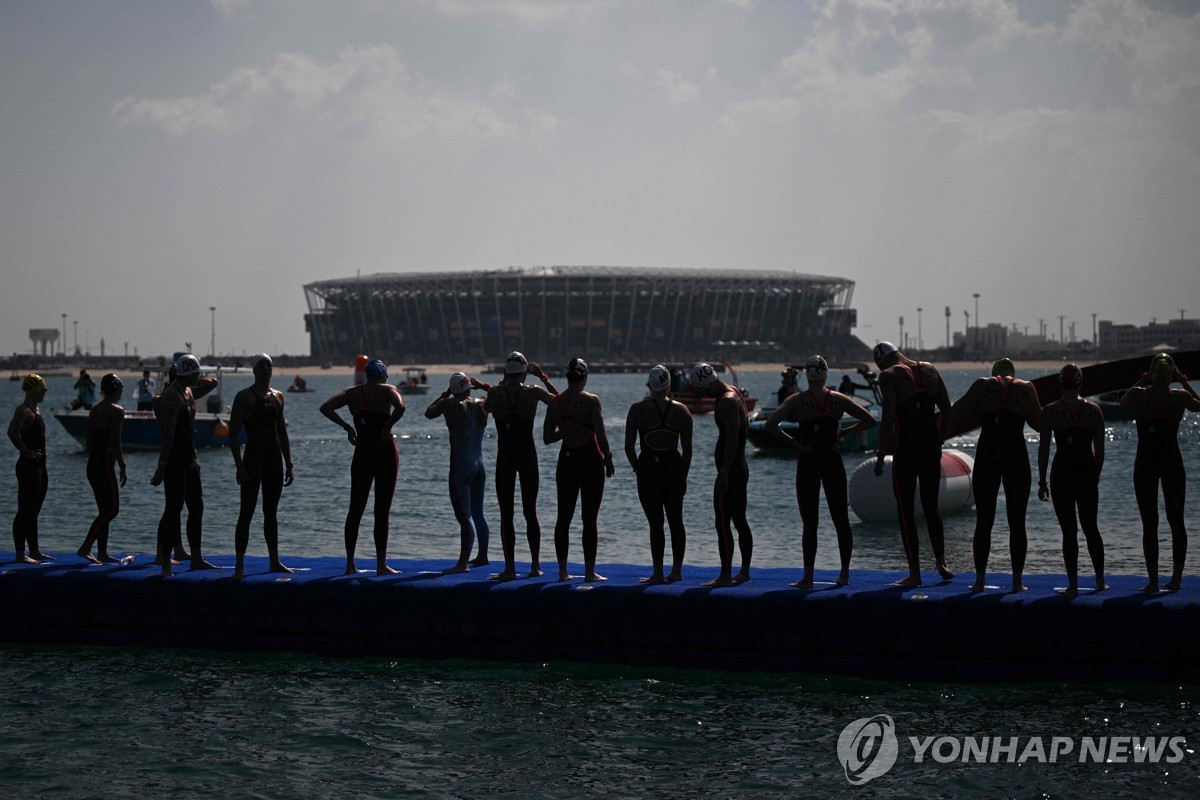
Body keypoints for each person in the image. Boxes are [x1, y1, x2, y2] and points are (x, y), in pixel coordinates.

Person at [766, 355, 876, 588]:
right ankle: (844, 574)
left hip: (808, 460)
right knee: (841, 519)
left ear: (807, 374)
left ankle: (808, 577)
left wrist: (795, 444)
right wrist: (845, 433)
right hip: (832, 459)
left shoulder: (797, 400)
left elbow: (770, 425)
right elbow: (869, 420)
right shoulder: (838, 399)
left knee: (810, 522)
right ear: (825, 373)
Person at [949, 358, 1042, 593]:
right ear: (1013, 374)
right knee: (1017, 522)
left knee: (984, 521)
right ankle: (1017, 582)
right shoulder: (1027, 388)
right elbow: (1040, 424)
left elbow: (956, 412)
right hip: (1016, 455)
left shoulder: (982, 385)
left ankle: (979, 581)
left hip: (988, 454)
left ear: (994, 374)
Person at [872, 341, 954, 587]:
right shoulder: (929, 370)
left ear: (881, 360)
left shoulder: (888, 376)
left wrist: (879, 456)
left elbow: (887, 419)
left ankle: (915, 573)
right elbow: (947, 408)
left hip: (906, 448)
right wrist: (940, 438)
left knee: (905, 510)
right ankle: (941, 563)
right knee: (931, 506)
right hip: (930, 446)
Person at [1121, 352, 1200, 592]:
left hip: (1145, 461)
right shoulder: (1181, 397)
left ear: (1152, 373)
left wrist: (1140, 380)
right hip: (1171, 460)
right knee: (1176, 521)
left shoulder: (1138, 394)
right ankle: (1176, 580)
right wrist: (1184, 381)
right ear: (1172, 374)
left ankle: (1153, 581)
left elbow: (1124, 401)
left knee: (1149, 523)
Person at [321, 358, 405, 576]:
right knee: (382, 510)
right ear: (383, 375)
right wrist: (387, 426)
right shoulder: (387, 390)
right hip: (385, 453)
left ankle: (350, 564)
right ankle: (380, 565)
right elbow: (401, 406)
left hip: (362, 454)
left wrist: (347, 427)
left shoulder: (351, 393)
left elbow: (325, 407)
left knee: (355, 509)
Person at [484, 351, 557, 580]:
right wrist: (543, 377)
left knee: (507, 514)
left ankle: (509, 568)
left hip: (505, 456)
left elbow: (485, 409)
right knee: (530, 511)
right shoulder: (534, 391)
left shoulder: (496, 392)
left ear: (506, 371)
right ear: (526, 371)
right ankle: (535, 566)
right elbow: (563, 402)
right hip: (527, 455)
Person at [543, 357, 615, 582]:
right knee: (589, 518)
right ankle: (589, 572)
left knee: (563, 518)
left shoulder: (556, 403)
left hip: (567, 461)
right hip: (590, 460)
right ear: (584, 377)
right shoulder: (591, 401)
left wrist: (566, 429)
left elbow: (547, 438)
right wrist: (608, 458)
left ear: (567, 377)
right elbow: (600, 434)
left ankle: (563, 572)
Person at [1038, 363, 1108, 595]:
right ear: (1080, 382)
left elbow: (1045, 448)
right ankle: (1099, 581)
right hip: (1086, 471)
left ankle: (1074, 585)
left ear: (1060, 382)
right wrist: (1094, 477)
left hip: (1062, 472)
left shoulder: (1050, 411)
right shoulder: (1094, 411)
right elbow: (1100, 451)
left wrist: (1041, 481)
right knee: (1091, 528)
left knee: (1069, 532)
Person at [150, 354, 219, 575]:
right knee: (173, 509)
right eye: (196, 373)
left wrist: (195, 458)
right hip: (175, 462)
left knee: (196, 507)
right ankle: (165, 563)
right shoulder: (171, 396)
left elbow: (210, 383)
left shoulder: (188, 392)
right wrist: (162, 466)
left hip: (189, 459)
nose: (199, 377)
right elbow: (169, 434)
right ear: (188, 373)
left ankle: (196, 558)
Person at [624, 365, 693, 584]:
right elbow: (688, 449)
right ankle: (676, 571)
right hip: (673, 467)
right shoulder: (682, 411)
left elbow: (628, 447)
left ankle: (657, 573)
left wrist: (638, 469)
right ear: (668, 384)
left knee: (656, 523)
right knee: (676, 521)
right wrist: (683, 474)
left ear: (650, 385)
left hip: (648, 470)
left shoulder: (637, 410)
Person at [227, 353, 294, 579]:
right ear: (254, 370)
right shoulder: (244, 397)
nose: (267, 369)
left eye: (269, 365)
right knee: (246, 513)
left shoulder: (278, 396)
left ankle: (274, 561)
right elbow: (233, 435)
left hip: (274, 460)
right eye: (262, 366)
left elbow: (282, 432)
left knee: (271, 513)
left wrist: (289, 462)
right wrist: (239, 466)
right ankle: (239, 566)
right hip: (252, 460)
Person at [691, 362, 754, 587]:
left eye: (703, 391)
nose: (704, 395)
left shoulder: (726, 401)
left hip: (731, 469)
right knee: (739, 520)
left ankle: (725, 575)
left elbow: (732, 438)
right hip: (739, 466)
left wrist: (724, 472)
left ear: (708, 385)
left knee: (723, 522)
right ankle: (744, 572)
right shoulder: (733, 392)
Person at [425, 372, 492, 573]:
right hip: (480, 465)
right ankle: (482, 556)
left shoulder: (448, 404)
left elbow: (428, 413)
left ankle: (462, 563)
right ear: (468, 387)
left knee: (464, 516)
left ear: (453, 389)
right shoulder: (482, 403)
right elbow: (501, 395)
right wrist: (484, 386)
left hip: (461, 465)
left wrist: (444, 394)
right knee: (478, 512)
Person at [77, 373, 127, 564]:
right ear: (116, 388)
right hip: (105, 465)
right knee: (112, 509)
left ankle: (103, 552)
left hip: (92, 464)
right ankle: (86, 547)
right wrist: (121, 464)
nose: (122, 391)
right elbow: (115, 440)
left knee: (103, 509)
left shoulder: (95, 409)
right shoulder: (117, 411)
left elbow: (89, 438)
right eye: (121, 387)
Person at [8, 374, 51, 564]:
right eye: (43, 389)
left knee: (34, 510)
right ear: (35, 390)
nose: (45, 392)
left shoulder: (36, 409)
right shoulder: (24, 410)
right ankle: (20, 553)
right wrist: (26, 452)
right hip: (28, 467)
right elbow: (12, 431)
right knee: (24, 510)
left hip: (40, 467)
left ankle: (34, 550)